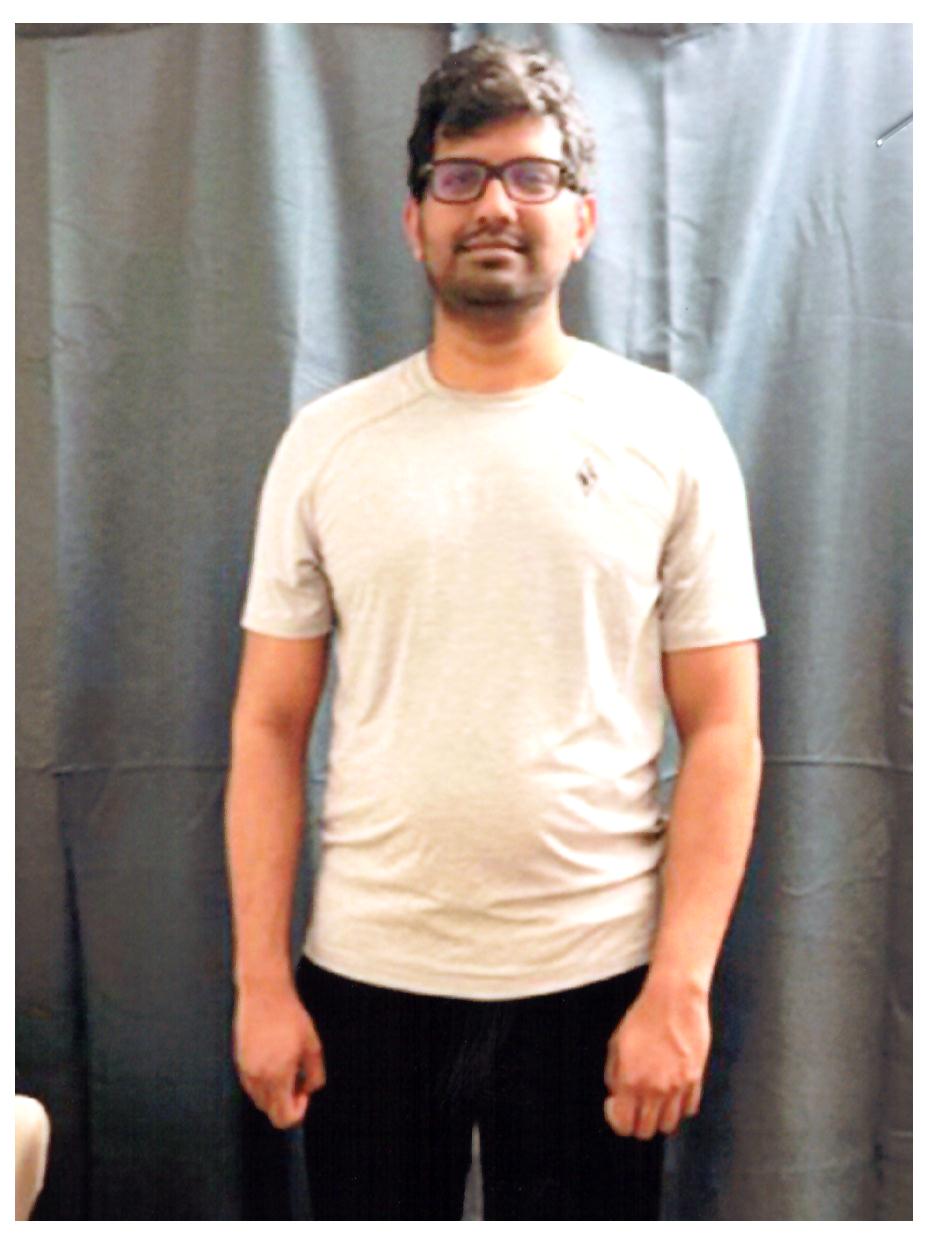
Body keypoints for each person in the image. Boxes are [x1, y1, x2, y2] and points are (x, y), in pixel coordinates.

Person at [225, 37, 765, 1221]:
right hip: (365, 976)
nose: (494, 207)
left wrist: (678, 985)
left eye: (530, 176)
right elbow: (267, 724)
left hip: (598, 980)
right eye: (458, 178)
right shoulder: (326, 443)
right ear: (413, 218)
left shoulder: (669, 433)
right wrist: (260, 980)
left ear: (582, 217)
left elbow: (724, 729)